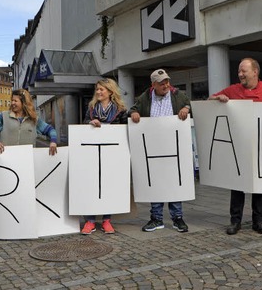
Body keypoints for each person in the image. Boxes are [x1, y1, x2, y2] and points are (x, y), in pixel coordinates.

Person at [209, 58, 262, 236]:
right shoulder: (232, 90)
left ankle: (259, 222)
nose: (240, 74)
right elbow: (210, 100)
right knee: (237, 184)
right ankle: (235, 221)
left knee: (260, 186)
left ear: (255, 72)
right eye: (239, 71)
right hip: (239, 147)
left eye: (243, 71)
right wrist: (218, 98)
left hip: (261, 147)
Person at [130, 68, 192, 233]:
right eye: (161, 83)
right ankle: (156, 218)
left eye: (167, 82)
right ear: (153, 85)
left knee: (174, 181)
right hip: (152, 144)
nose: (165, 85)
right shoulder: (145, 97)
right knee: (155, 181)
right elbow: (132, 109)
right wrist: (134, 113)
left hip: (173, 144)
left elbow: (189, 104)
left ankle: (177, 218)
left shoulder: (177, 95)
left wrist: (186, 109)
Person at [80, 78, 129, 235]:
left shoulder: (120, 110)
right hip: (92, 153)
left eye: (101, 89)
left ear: (110, 91)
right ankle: (90, 220)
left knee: (109, 185)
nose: (98, 92)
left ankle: (107, 220)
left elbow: (125, 130)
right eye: (97, 89)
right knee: (92, 184)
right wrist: (90, 122)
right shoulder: (92, 108)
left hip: (112, 154)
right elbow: (83, 124)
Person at [0, 89, 58, 156]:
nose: (12, 103)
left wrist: (53, 142)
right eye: (12, 100)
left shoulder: (34, 120)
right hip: (6, 160)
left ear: (24, 103)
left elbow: (51, 130)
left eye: (15, 101)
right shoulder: (3, 116)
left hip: (26, 162)